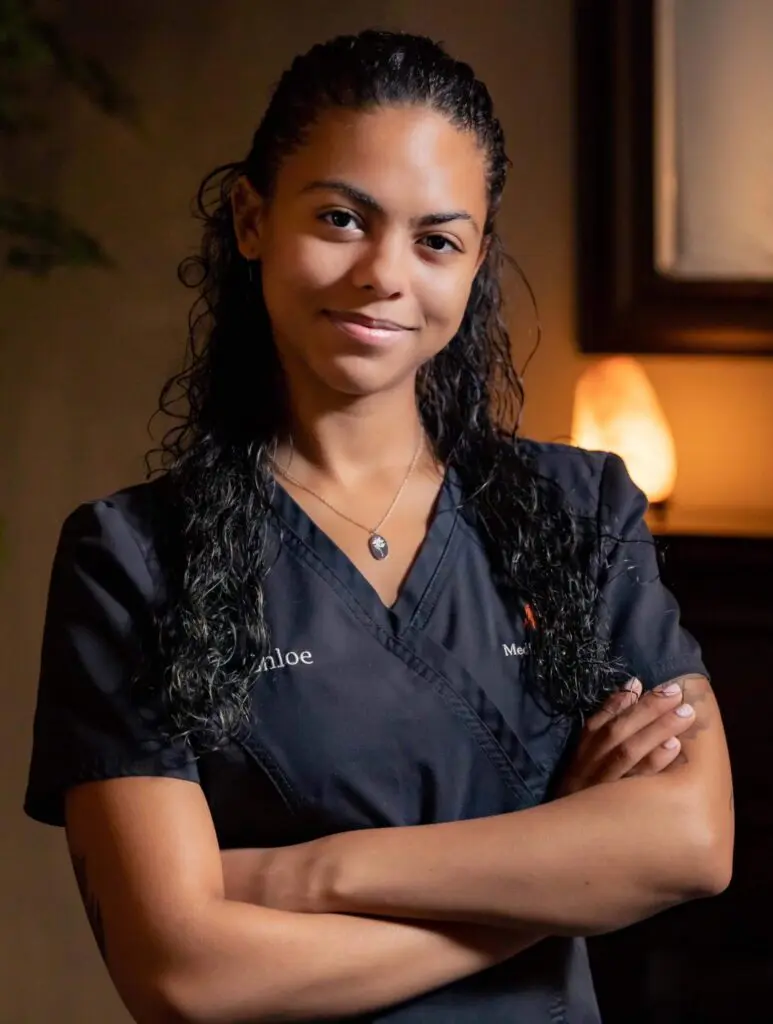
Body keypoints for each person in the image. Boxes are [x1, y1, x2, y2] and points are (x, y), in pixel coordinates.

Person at [24, 29, 733, 1024]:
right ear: (249, 218)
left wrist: (306, 874)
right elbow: (183, 973)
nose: (382, 275)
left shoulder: (578, 511)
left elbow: (693, 842)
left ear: (476, 257)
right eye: (341, 219)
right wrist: (560, 870)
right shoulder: (133, 558)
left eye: (435, 239)